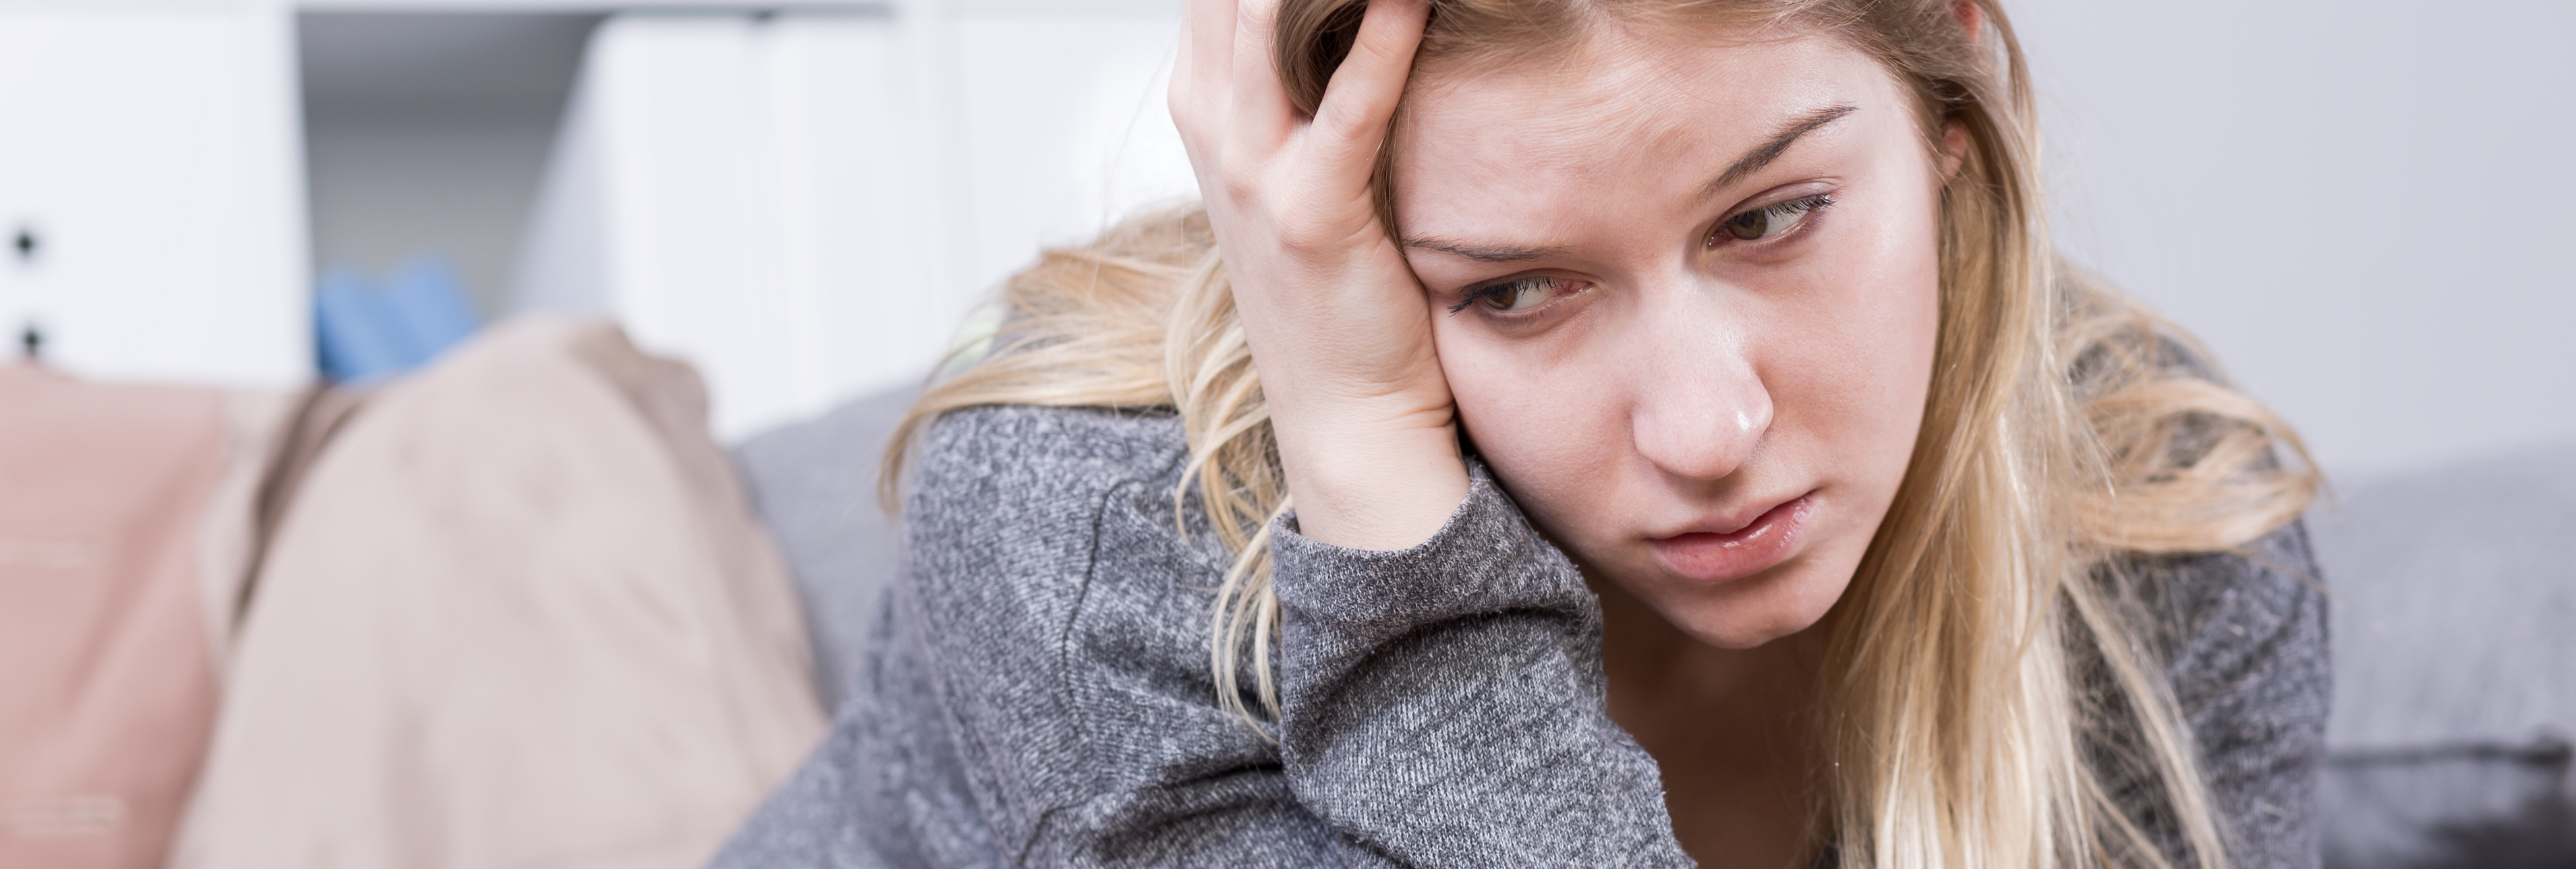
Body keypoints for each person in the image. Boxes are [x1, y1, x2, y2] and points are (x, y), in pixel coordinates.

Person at [710, 0, 2326, 866]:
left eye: (1771, 217)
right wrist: (1372, 464)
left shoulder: (2163, 529)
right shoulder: (1089, 543)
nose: (1709, 428)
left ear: (1957, 90)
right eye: (1515, 291)